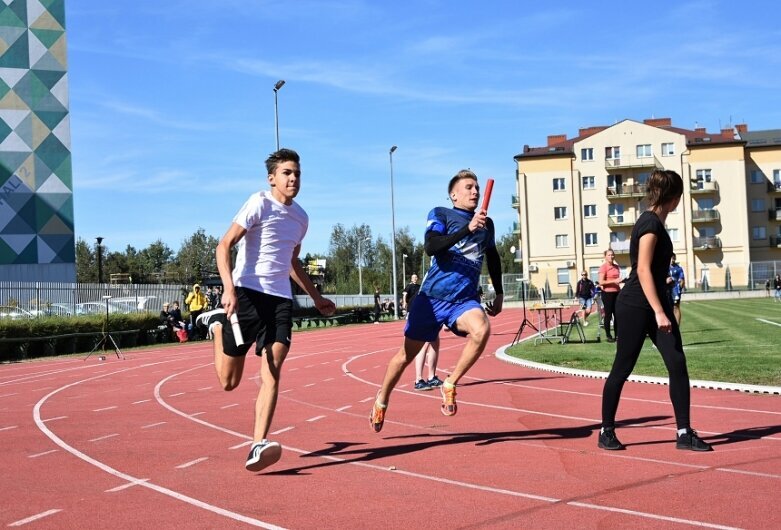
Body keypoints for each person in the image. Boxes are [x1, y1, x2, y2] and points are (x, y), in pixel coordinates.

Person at [195, 148, 336, 472]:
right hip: (246, 294)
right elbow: (224, 244)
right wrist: (228, 289)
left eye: (297, 173)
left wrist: (316, 297)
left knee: (273, 365)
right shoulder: (258, 202)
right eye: (287, 173)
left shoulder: (301, 218)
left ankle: (257, 444)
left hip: (279, 300)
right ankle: (217, 327)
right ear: (272, 178)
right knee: (229, 383)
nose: (293, 179)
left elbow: (292, 262)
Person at [370, 169, 503, 432]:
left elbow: (494, 257)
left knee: (482, 329)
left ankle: (450, 383)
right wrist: (467, 228)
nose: (475, 191)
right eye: (468, 187)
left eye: (477, 187)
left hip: (463, 300)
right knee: (404, 357)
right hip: (432, 299)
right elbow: (431, 246)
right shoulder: (441, 213)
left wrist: (498, 293)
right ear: (454, 194)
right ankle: (382, 399)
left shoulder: (487, 224)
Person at [599, 169, 712, 452]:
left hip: (654, 302)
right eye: (679, 197)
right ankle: (606, 431)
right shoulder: (649, 223)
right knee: (622, 368)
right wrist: (660, 312)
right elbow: (642, 269)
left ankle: (684, 432)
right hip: (636, 306)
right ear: (673, 197)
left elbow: (653, 269)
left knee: (677, 362)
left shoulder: (657, 222)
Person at [599, 249, 621, 342]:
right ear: (605, 256)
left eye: (612, 255)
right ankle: (608, 336)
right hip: (607, 293)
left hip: (617, 292)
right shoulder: (603, 267)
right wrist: (613, 281)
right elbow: (601, 282)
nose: (611, 256)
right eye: (609, 255)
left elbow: (618, 280)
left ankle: (617, 336)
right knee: (608, 315)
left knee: (618, 315)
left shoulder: (617, 267)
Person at [667, 253, 685, 325]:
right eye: (670, 258)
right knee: (667, 308)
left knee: (676, 307)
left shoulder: (679, 268)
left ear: (675, 259)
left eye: (673, 258)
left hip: (675, 290)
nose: (672, 260)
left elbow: (682, 280)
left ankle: (677, 327)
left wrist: (680, 287)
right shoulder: (664, 268)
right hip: (666, 290)